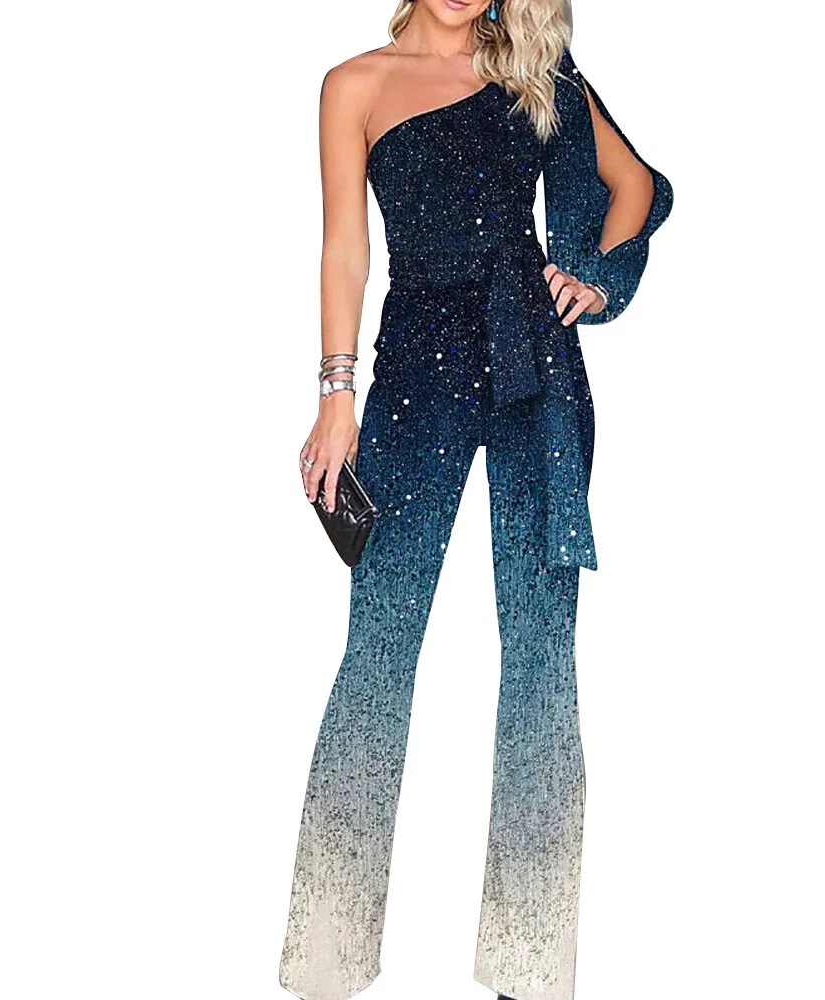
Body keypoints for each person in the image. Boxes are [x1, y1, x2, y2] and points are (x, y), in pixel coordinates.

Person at [282, 2, 673, 999]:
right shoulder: (353, 85)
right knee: (379, 644)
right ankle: (328, 959)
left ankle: (529, 965)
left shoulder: (535, 66)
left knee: (540, 649)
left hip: (535, 361)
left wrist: (597, 276)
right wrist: (336, 396)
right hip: (415, 365)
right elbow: (344, 247)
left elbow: (638, 186)